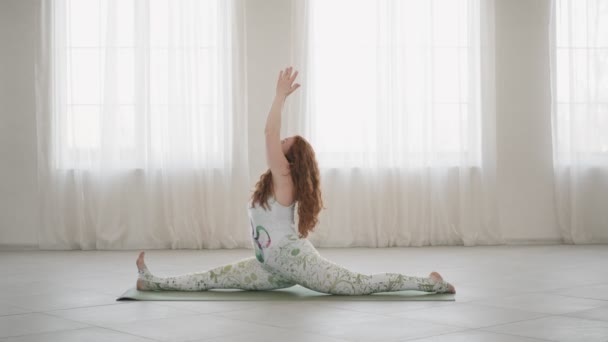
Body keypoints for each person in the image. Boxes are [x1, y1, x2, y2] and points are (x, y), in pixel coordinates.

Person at [136, 66, 456, 295]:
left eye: (286, 141)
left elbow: (268, 132)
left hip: (298, 264)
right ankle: (152, 282)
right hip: (269, 266)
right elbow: (272, 137)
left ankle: (430, 283)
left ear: (291, 158)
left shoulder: (284, 176)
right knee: (212, 277)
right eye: (284, 138)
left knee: (359, 284)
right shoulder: (272, 182)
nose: (280, 141)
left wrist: (280, 97)